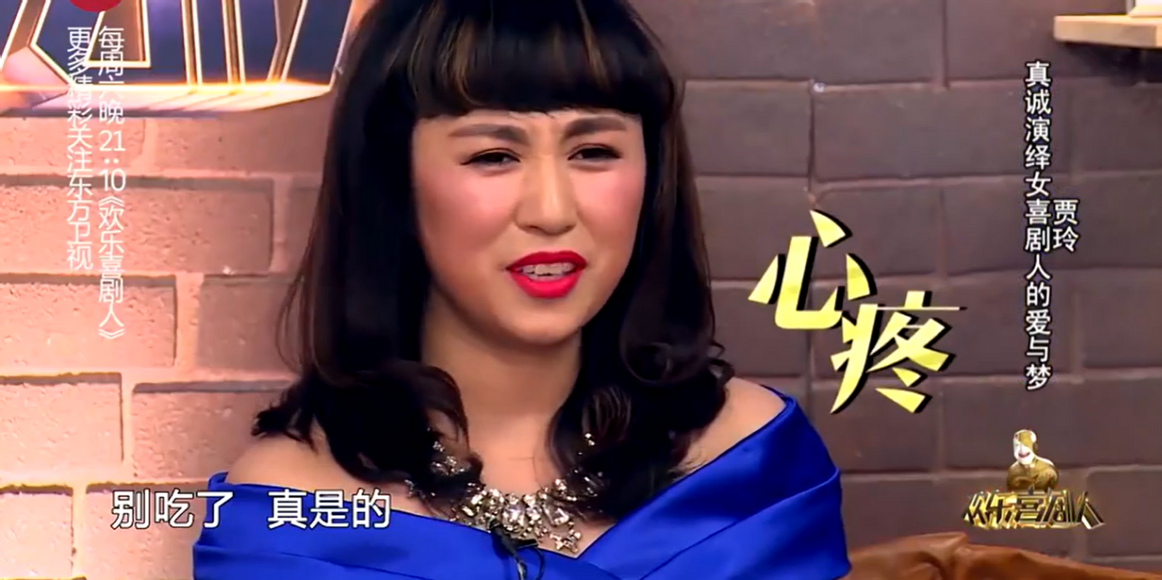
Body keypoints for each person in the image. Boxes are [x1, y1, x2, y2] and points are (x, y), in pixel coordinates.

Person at [192, 0, 850, 578]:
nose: (552, 210)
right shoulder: (290, 514)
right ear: (394, 184)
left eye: (593, 151)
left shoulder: (750, 467)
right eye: (494, 156)